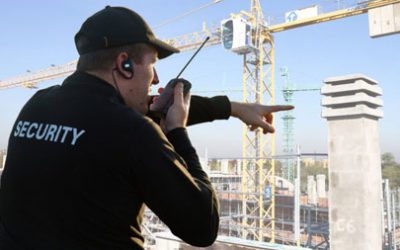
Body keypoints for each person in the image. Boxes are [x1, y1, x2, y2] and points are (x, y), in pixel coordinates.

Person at [0, 6, 293, 250]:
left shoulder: (36, 105)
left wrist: (233, 108)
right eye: (152, 64)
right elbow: (203, 227)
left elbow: (147, 110)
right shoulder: (132, 131)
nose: (155, 80)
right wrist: (177, 131)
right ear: (124, 64)